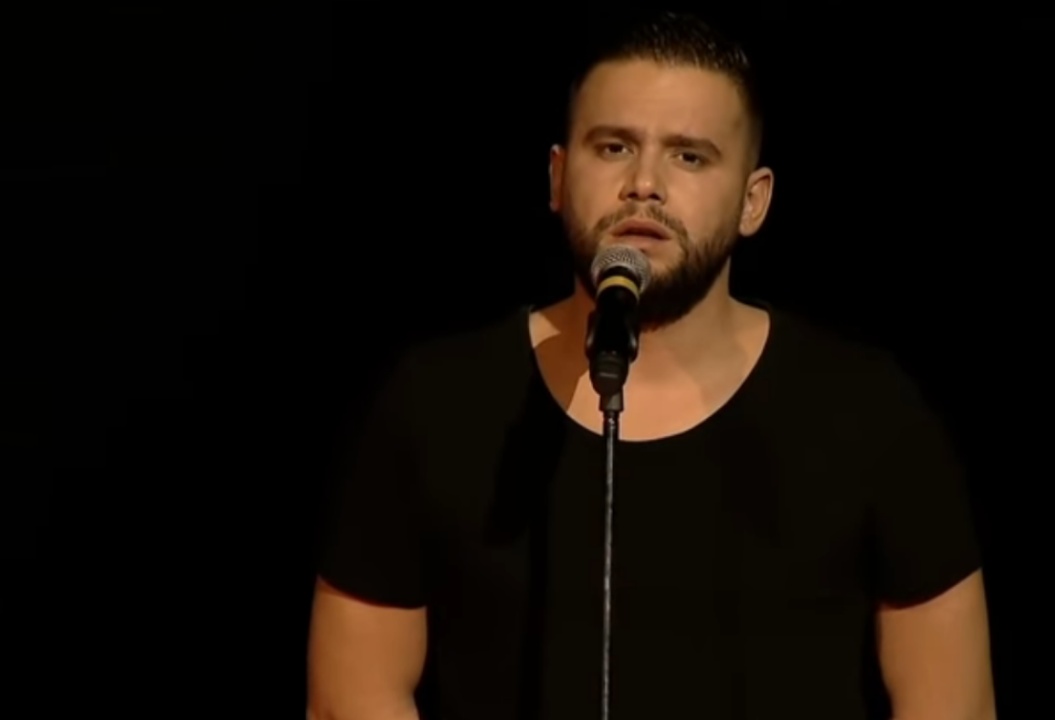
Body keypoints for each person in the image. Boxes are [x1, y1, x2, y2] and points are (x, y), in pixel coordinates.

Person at [307, 11, 995, 720]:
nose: (644, 184)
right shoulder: (434, 404)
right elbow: (352, 695)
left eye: (689, 156)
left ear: (753, 201)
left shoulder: (871, 414)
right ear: (557, 176)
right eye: (613, 147)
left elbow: (952, 704)